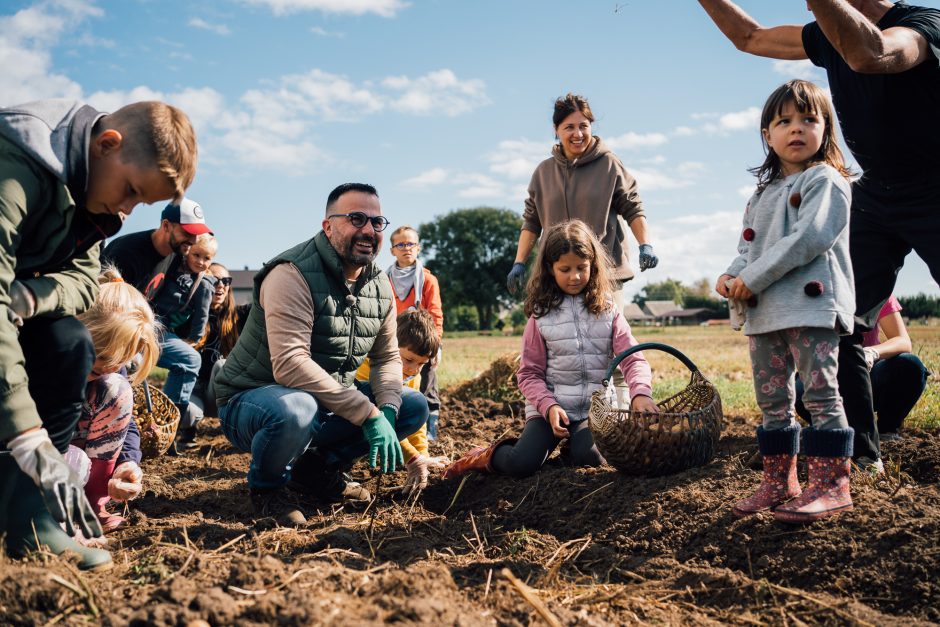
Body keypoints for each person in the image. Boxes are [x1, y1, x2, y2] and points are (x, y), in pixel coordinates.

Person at [698, 0, 940, 473]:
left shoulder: (922, 24)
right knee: (842, 318)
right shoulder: (825, 34)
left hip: (936, 186)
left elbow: (870, 54)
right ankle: (861, 455)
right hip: (876, 193)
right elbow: (749, 37)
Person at [0, 99, 197, 570]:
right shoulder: (18, 167)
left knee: (69, 343)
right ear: (107, 144)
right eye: (129, 190)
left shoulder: (91, 197)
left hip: (15, 310)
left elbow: (84, 279)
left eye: (140, 202)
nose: (127, 210)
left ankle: (30, 520)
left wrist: (33, 296)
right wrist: (29, 438)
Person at [214, 183, 428, 526]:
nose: (368, 230)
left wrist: (386, 408)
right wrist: (367, 414)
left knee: (411, 404)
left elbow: (387, 358)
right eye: (356, 218)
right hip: (252, 399)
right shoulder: (290, 274)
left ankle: (316, 471)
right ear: (328, 226)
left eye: (376, 222)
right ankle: (268, 489)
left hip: (323, 400)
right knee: (296, 408)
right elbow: (290, 365)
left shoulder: (379, 285)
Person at [716, 80, 856, 523]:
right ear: (767, 135)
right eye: (784, 121)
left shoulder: (826, 181)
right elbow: (749, 249)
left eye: (808, 119)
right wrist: (732, 274)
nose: (796, 129)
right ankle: (779, 482)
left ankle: (832, 485)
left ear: (826, 129)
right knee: (772, 400)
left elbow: (809, 238)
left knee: (819, 394)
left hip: (811, 307)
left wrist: (751, 277)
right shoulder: (761, 195)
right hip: (766, 312)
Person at [444, 220, 658, 480]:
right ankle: (484, 455)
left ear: (593, 265)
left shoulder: (608, 309)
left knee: (590, 458)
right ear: (550, 268)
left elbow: (632, 358)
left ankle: (573, 447)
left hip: (595, 410)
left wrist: (640, 393)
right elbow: (529, 374)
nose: (575, 276)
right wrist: (548, 406)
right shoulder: (541, 314)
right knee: (521, 464)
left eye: (582, 267)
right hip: (550, 409)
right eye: (565, 269)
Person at [506, 93, 659, 302]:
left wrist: (645, 245)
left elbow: (633, 208)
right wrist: (519, 263)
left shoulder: (609, 165)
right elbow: (532, 222)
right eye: (569, 127)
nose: (578, 133)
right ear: (556, 130)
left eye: (583, 126)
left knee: (607, 335)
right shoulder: (543, 172)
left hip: (603, 277)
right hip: (556, 277)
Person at [103, 199, 213, 442]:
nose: (193, 241)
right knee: (130, 364)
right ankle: (117, 432)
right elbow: (103, 309)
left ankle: (166, 429)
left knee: (190, 358)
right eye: (188, 233)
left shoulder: (176, 255)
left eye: (198, 235)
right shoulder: (126, 252)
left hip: (148, 328)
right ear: (166, 225)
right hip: (114, 330)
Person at [69, 267, 160, 533]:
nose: (110, 367)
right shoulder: (48, 356)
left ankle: (92, 505)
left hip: (75, 453)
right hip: (34, 451)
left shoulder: (110, 368)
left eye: (119, 361)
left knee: (117, 389)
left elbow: (125, 421)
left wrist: (127, 462)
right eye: (102, 359)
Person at [796, 295, 930, 439]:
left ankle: (887, 430)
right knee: (800, 388)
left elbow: (903, 340)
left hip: (868, 374)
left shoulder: (878, 289)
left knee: (911, 365)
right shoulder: (817, 289)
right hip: (825, 373)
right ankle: (830, 427)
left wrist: (872, 352)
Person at [356, 309, 449, 496]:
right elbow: (376, 419)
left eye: (421, 364)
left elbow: (417, 425)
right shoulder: (367, 368)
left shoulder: (411, 375)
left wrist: (422, 456)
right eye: (409, 359)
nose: (414, 369)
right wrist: (411, 457)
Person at [148, 233, 218, 452]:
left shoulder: (204, 283)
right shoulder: (172, 265)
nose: (200, 261)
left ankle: (167, 423)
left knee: (189, 358)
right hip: (146, 319)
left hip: (162, 329)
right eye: (196, 254)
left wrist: (193, 339)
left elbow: (201, 315)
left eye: (207, 258)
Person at [386, 226, 445, 439]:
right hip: (396, 341)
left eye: (410, 244)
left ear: (418, 248)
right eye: (400, 244)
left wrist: (435, 343)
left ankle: (430, 427)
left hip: (423, 339)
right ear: (392, 250)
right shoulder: (385, 280)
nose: (406, 248)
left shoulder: (428, 280)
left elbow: (435, 312)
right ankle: (397, 424)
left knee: (426, 380)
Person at [187, 262, 251, 422]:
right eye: (214, 280)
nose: (221, 285)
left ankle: (233, 424)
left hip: (222, 392)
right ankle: (189, 432)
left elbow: (265, 303)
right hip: (194, 389)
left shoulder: (241, 316)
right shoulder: (189, 316)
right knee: (188, 414)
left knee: (221, 365)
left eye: (226, 281)